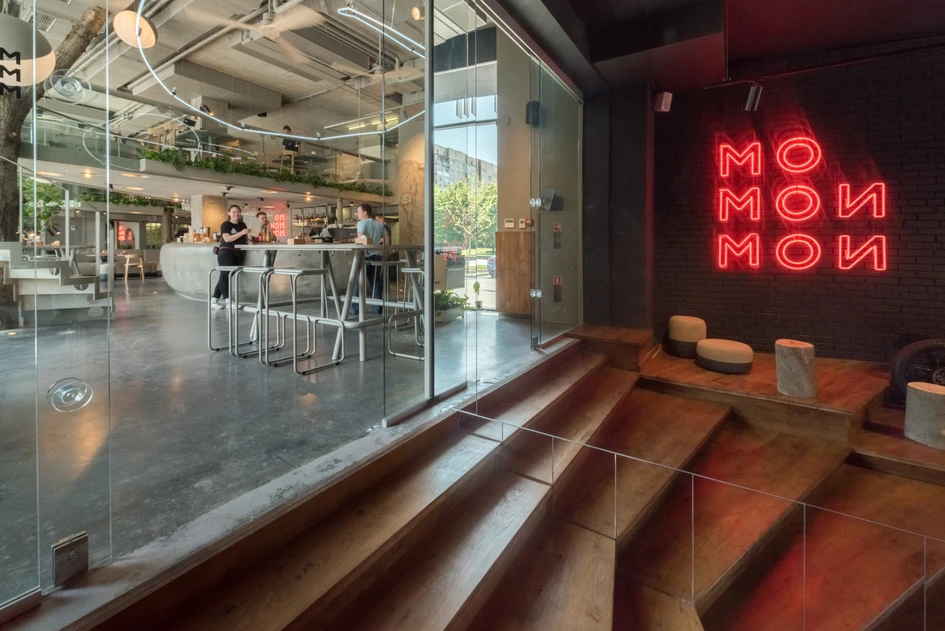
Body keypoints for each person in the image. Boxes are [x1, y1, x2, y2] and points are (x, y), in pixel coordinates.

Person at [211, 205, 251, 310]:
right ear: (229, 213)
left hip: (238, 253)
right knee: (225, 275)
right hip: (226, 252)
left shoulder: (243, 224)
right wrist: (242, 232)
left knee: (226, 276)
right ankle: (228, 301)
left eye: (238, 212)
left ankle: (214, 300)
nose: (236, 214)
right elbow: (227, 239)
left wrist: (249, 241)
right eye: (233, 212)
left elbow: (244, 239)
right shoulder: (226, 224)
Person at [350, 203, 387, 317]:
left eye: (358, 211)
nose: (357, 214)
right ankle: (377, 307)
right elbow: (387, 237)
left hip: (365, 256)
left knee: (358, 282)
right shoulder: (379, 224)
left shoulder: (362, 223)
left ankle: (355, 308)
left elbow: (361, 236)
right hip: (376, 255)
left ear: (365, 213)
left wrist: (361, 242)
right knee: (375, 281)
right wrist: (385, 250)